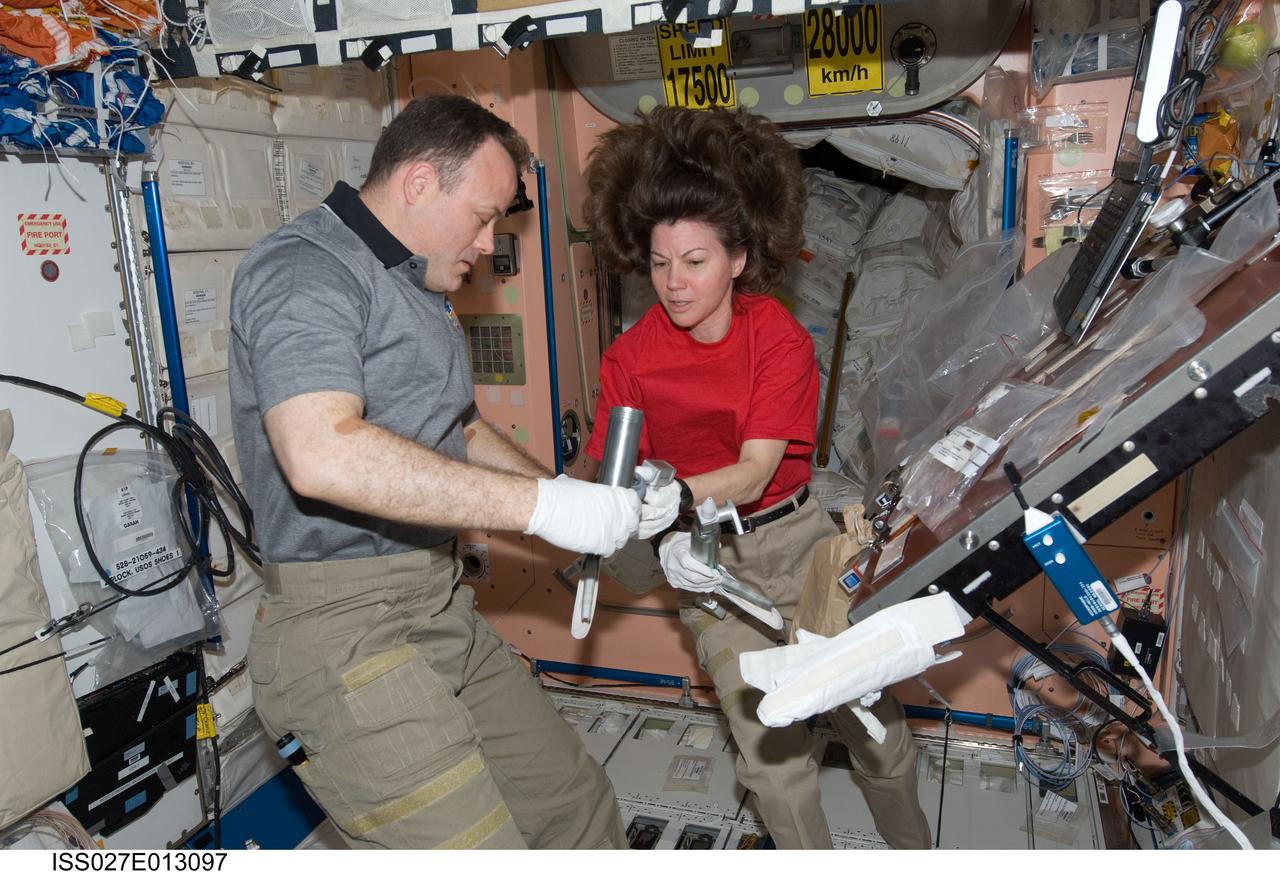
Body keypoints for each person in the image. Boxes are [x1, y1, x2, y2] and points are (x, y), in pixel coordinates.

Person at [229, 94, 658, 849]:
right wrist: (537, 510)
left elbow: (456, 428)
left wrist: (570, 498)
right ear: (420, 183)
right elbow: (321, 451)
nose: (491, 244)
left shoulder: (413, 283)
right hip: (344, 630)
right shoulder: (306, 269)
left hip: (436, 604)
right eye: (483, 216)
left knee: (574, 807)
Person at [583, 107, 932, 849]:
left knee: (877, 736)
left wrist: (671, 497)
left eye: (696, 261)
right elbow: (609, 474)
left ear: (739, 258)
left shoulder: (775, 337)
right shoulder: (630, 360)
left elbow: (755, 470)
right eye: (659, 262)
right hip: (710, 565)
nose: (674, 284)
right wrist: (595, 514)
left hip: (801, 545)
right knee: (774, 766)